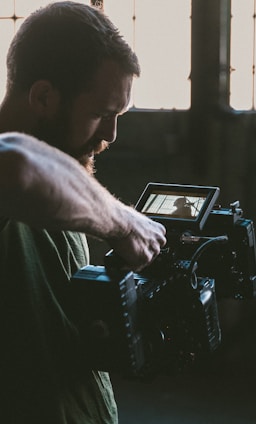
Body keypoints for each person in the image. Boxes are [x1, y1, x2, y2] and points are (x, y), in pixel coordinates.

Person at [0, 2, 166, 423]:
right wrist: (124, 223)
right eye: (100, 114)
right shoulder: (15, 173)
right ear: (43, 96)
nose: (110, 135)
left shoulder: (65, 174)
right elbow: (17, 168)